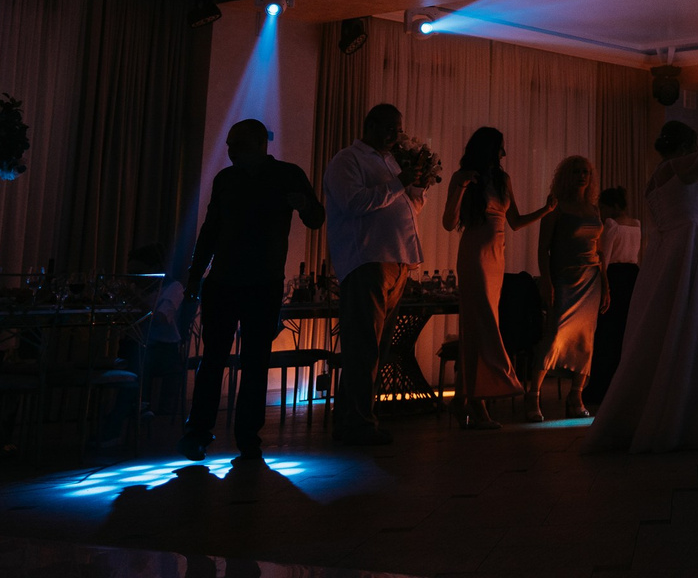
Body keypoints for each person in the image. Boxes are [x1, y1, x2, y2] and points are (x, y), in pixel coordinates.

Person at [583, 121, 698, 453]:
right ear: (685, 146)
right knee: (671, 325)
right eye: (694, 145)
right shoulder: (671, 169)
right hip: (680, 255)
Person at [180, 119, 324, 460]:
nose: (230, 151)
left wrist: (195, 278)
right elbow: (211, 230)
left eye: (237, 145)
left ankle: (208, 434)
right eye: (230, 145)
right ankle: (240, 438)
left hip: (244, 282)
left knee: (230, 360)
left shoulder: (268, 176)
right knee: (239, 361)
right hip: (246, 282)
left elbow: (316, 217)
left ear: (260, 145)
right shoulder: (245, 177)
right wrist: (195, 277)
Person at [324, 103, 425, 444]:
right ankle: (359, 423)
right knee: (363, 346)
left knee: (377, 347)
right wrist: (399, 183)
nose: (396, 135)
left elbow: (409, 207)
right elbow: (353, 202)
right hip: (367, 260)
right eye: (391, 128)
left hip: (397, 260)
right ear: (370, 125)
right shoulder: (347, 160)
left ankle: (354, 419)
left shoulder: (391, 162)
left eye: (399, 129)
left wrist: (417, 187)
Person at [441, 127, 553, 429]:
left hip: (496, 256)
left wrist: (546, 210)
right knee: (483, 324)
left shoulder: (503, 180)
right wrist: (461, 187)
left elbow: (514, 221)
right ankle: (478, 404)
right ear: (489, 149)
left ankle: (462, 398)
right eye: (500, 147)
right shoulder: (463, 177)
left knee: (477, 327)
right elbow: (449, 223)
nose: (504, 153)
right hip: (475, 255)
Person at [526, 155, 605, 421]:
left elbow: (600, 251)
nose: (582, 176)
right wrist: (546, 281)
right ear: (566, 176)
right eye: (576, 172)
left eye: (586, 172)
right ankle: (533, 396)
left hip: (591, 280)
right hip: (565, 279)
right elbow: (543, 249)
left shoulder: (593, 209)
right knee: (554, 336)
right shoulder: (556, 207)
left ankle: (576, 396)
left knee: (586, 340)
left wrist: (606, 286)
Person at [582, 186, 640, 411]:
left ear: (613, 206)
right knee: (624, 332)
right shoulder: (636, 224)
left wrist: (602, 286)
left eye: (603, 207)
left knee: (607, 332)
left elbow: (603, 259)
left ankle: (602, 387)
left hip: (613, 278)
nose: (602, 212)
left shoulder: (611, 225)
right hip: (632, 276)